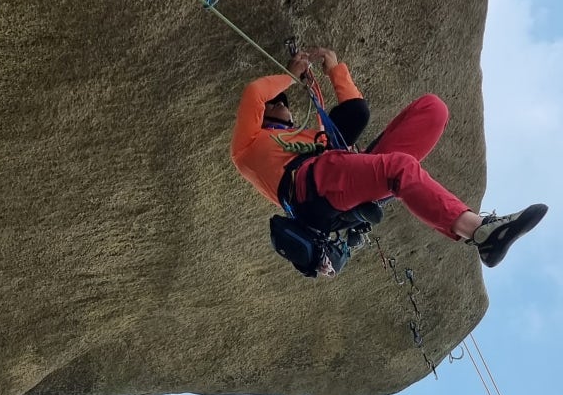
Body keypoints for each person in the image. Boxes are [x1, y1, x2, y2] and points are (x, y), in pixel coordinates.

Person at [230, 46, 547, 271]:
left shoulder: (309, 137)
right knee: (400, 168)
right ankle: (480, 232)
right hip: (312, 188)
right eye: (280, 102)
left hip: (335, 180)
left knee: (433, 109)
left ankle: (469, 226)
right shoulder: (249, 146)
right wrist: (288, 75)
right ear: (268, 111)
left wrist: (336, 71)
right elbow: (254, 93)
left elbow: (355, 114)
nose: (286, 106)